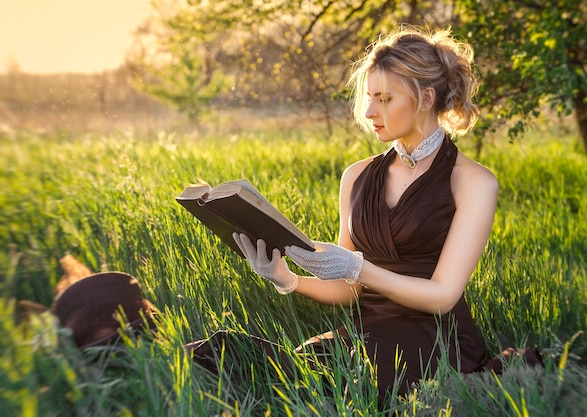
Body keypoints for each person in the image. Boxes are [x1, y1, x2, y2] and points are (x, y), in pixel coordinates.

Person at [190, 25, 498, 400]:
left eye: (384, 99)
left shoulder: (473, 182)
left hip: (435, 336)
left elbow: (443, 296)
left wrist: (358, 268)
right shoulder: (356, 176)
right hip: (365, 330)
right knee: (295, 372)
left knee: (336, 386)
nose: (369, 111)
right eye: (369, 97)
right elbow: (348, 290)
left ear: (425, 97)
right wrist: (287, 280)